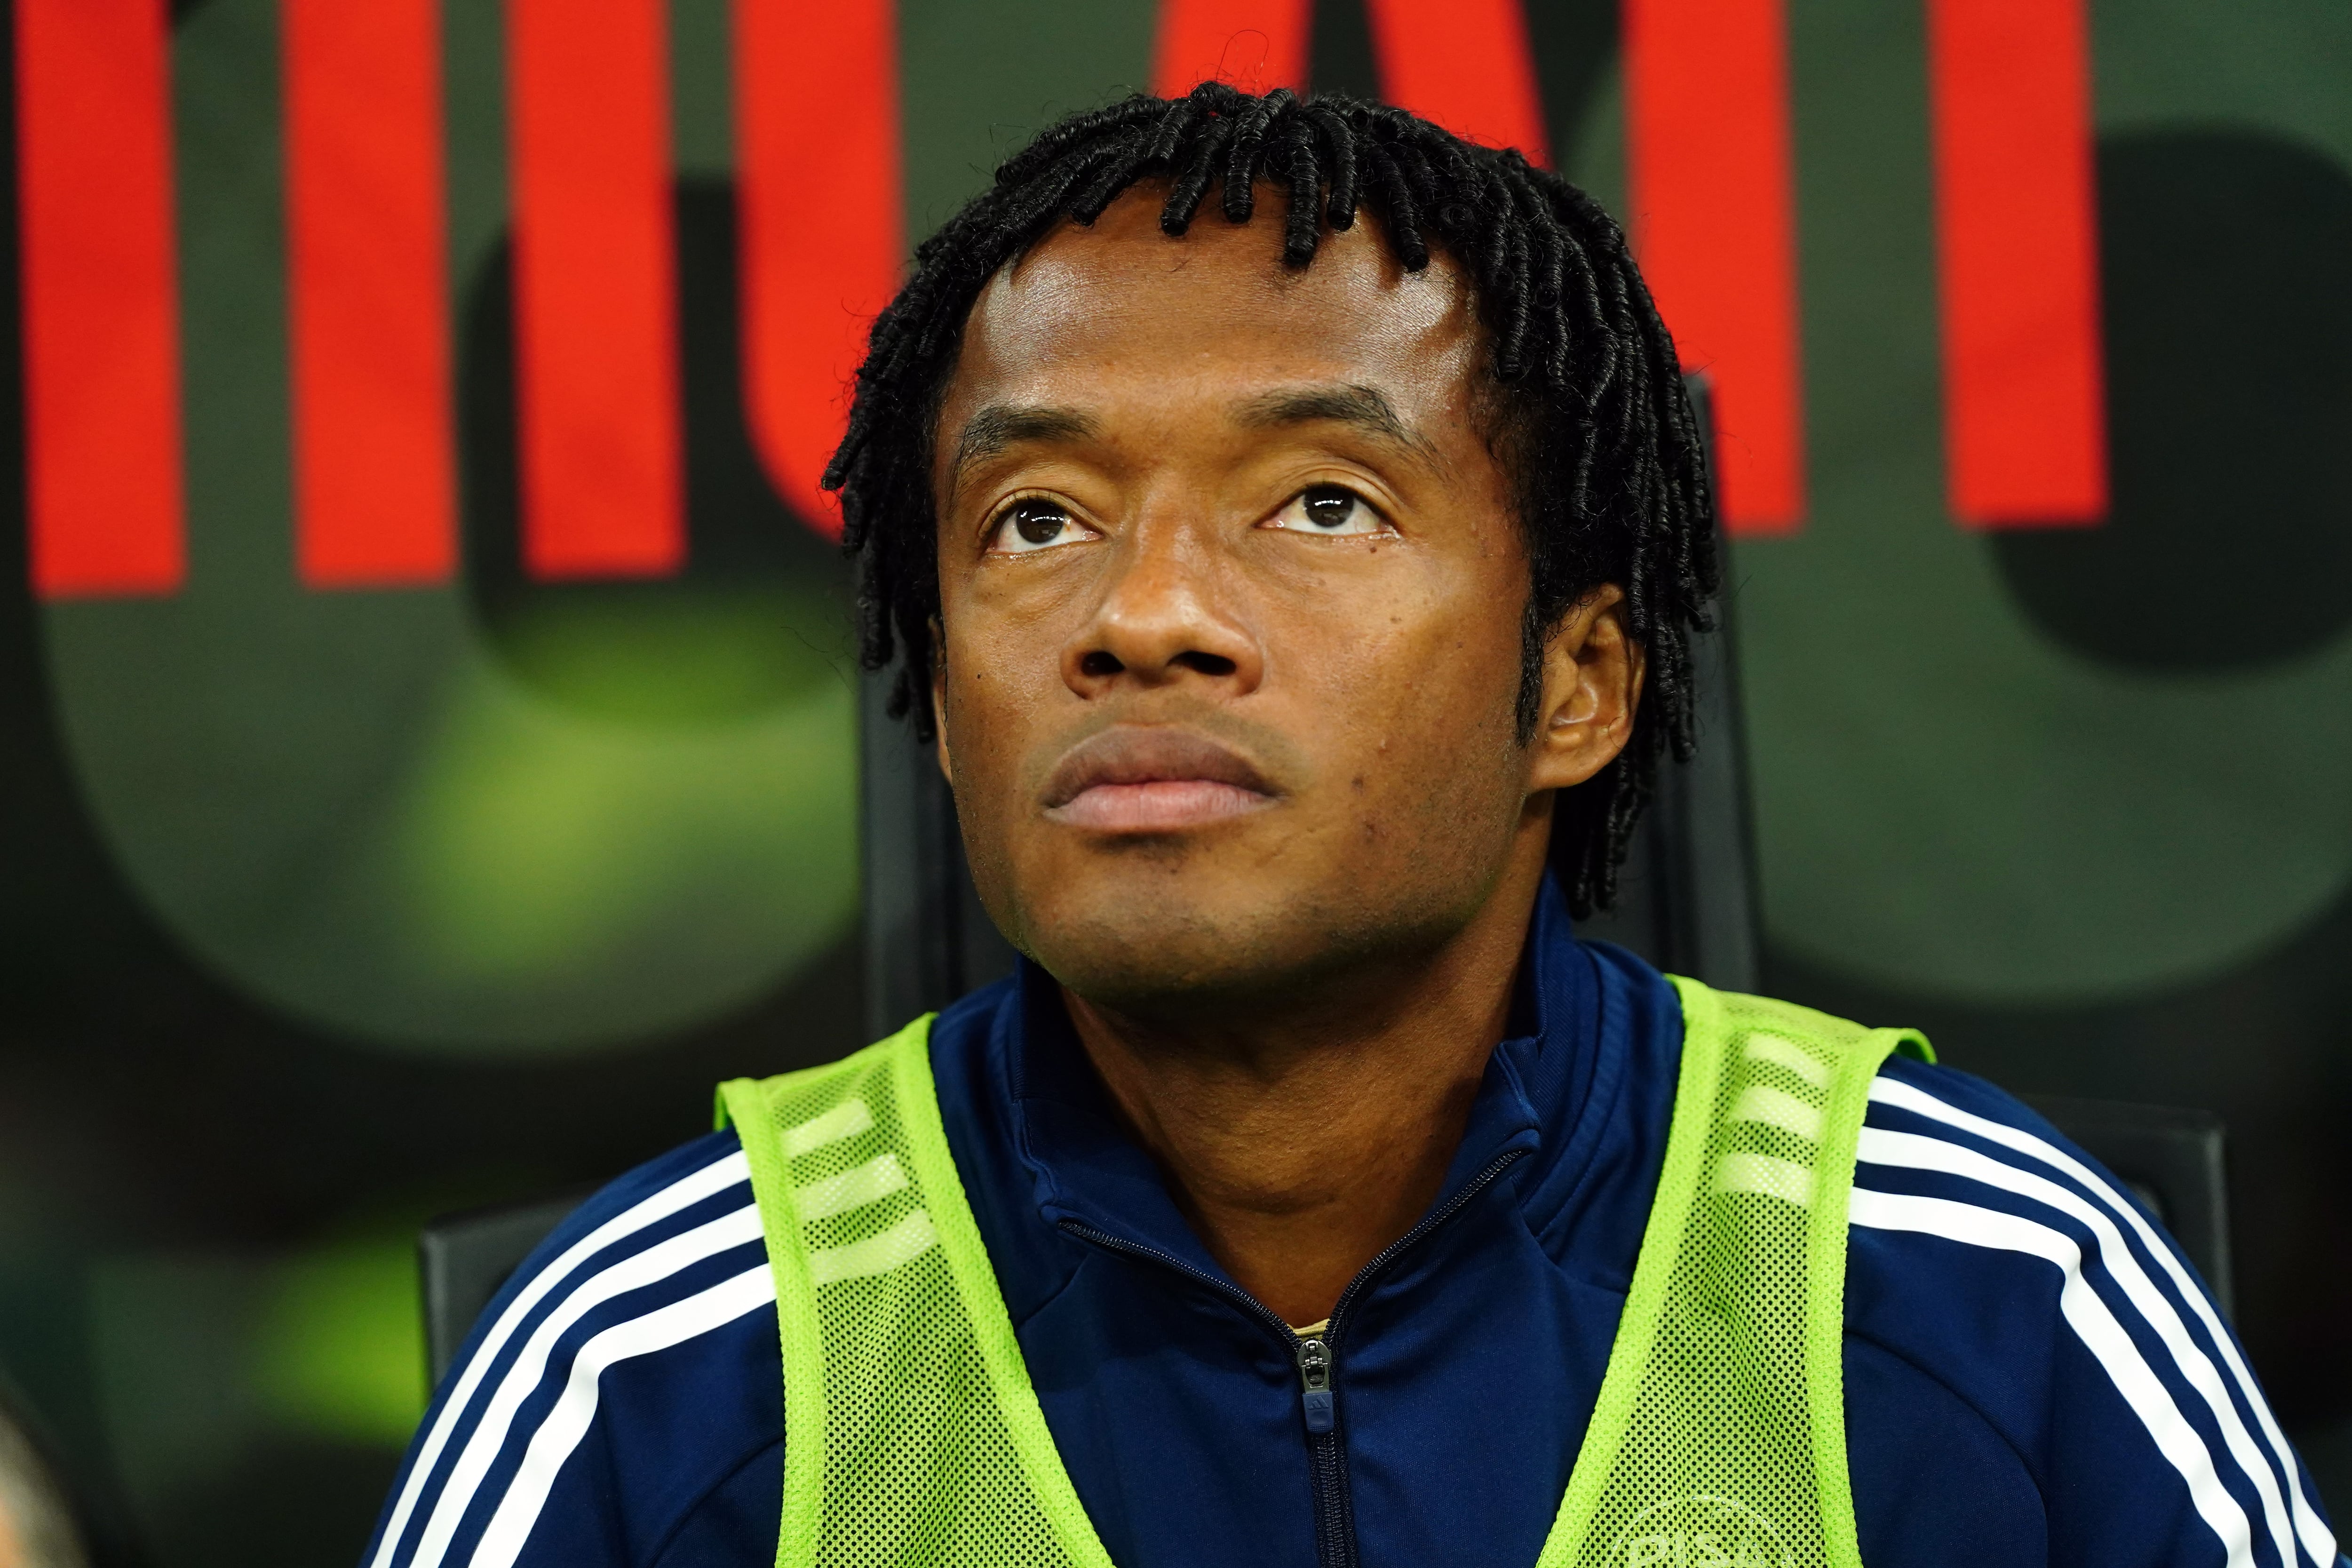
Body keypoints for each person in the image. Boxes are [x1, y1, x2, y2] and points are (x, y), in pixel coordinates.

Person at [361, 85, 2341, 1568]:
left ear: (1577, 688)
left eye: (1322, 503)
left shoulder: (1981, 1297)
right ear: (942, 709)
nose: (1142, 614)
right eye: (1035, 521)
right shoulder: (656, 1370)